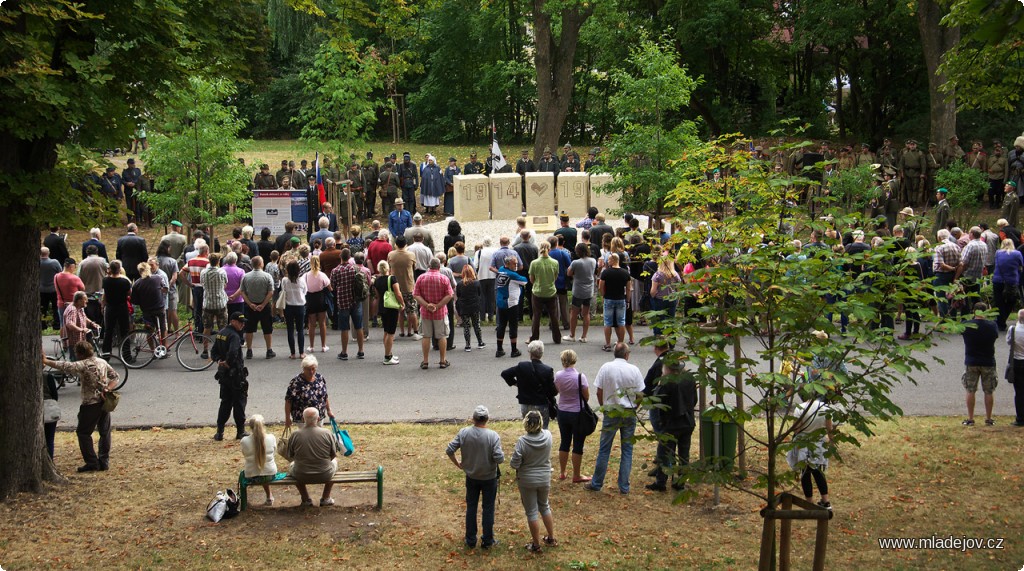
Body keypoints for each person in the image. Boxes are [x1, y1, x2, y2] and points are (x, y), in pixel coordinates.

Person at [42, 341, 119, 472]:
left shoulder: (83, 364)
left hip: (90, 404)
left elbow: (65, 366)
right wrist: (107, 388)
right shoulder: (101, 362)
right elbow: (115, 377)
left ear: (81, 353)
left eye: (77, 352)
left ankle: (92, 462)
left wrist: (46, 361)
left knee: (83, 433)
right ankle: (104, 461)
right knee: (105, 432)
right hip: (104, 402)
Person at [584, 343, 645, 494]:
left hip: (611, 410)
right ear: (626, 355)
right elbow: (640, 394)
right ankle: (624, 486)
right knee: (627, 449)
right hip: (629, 411)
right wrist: (635, 408)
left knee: (604, 449)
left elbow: (599, 391)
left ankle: (597, 482)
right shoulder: (634, 370)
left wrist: (603, 406)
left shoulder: (606, 368)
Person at [445, 405, 505, 549]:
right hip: (489, 477)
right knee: (488, 509)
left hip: (471, 476)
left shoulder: (464, 433)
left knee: (471, 507)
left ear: (473, 419)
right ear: (487, 419)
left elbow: (449, 450)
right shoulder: (493, 436)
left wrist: (458, 464)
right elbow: (499, 459)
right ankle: (487, 540)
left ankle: (470, 539)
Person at [646, 359, 697, 492]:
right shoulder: (689, 379)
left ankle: (661, 482)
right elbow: (694, 400)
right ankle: (680, 482)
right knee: (683, 454)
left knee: (664, 453)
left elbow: (657, 402)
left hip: (671, 423)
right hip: (687, 421)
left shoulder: (666, 383)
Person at [510, 410, 558, 554]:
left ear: (526, 424)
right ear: (540, 423)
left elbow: (514, 464)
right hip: (544, 478)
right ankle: (550, 538)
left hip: (527, 480)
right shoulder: (548, 436)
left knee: (531, 512)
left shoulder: (522, 442)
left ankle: (536, 545)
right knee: (544, 506)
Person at [283, 407, 338, 507]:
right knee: (335, 463)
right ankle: (326, 497)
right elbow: (333, 455)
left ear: (303, 419)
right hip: (325, 473)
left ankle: (306, 499)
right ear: (318, 419)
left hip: (301, 474)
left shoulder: (295, 435)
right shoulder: (327, 433)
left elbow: (290, 456)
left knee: (293, 466)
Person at [786, 398, 833, 510]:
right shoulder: (825, 408)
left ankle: (809, 502)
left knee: (805, 473)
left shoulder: (800, 408)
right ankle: (826, 501)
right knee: (818, 472)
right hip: (819, 444)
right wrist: (832, 442)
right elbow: (829, 428)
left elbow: (796, 429)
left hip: (803, 444)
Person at [553, 348, 591, 482]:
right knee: (578, 443)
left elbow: (557, 390)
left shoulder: (558, 375)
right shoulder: (580, 377)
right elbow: (586, 396)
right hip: (577, 413)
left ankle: (562, 472)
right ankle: (576, 474)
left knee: (564, 442)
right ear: (574, 360)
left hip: (562, 411)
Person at [211, 311, 249, 441]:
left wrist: (219, 361)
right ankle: (240, 431)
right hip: (236, 375)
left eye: (243, 323)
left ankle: (219, 432)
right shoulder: (234, 336)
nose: (242, 325)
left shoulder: (221, 333)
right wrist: (227, 362)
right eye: (240, 322)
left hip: (224, 375)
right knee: (239, 402)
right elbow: (233, 352)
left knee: (225, 403)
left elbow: (213, 351)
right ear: (232, 321)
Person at [501, 340, 557, 428]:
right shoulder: (547, 370)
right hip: (541, 404)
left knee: (529, 428)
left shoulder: (522, 366)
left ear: (530, 354)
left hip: (525, 404)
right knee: (543, 429)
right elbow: (553, 392)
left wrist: (516, 384)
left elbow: (505, 374)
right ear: (541, 353)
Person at [961, 302, 999, 426]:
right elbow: (996, 336)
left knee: (970, 389)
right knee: (989, 391)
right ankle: (988, 418)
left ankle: (970, 418)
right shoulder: (992, 326)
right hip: (988, 361)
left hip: (971, 361)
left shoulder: (967, 325)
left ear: (974, 311)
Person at [413, 258, 454, 369]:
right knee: (441, 336)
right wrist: (438, 305)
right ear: (439, 267)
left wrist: (427, 305)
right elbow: (450, 295)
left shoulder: (421, 278)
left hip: (425, 312)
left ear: (428, 266)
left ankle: (425, 361)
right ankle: (442, 360)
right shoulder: (444, 278)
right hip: (440, 312)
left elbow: (416, 294)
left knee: (426, 336)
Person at [331, 249, 368, 360]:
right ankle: (361, 351)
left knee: (344, 328)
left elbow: (332, 285)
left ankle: (344, 352)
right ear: (350, 257)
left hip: (343, 301)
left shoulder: (336, 270)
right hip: (355, 301)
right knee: (359, 326)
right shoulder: (355, 269)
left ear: (340, 256)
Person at [240, 414, 278, 506]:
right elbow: (274, 453)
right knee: (264, 471)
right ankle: (269, 496)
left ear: (250, 427)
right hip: (270, 474)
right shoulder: (271, 438)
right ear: (263, 425)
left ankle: (245, 502)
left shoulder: (244, 441)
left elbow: (245, 455)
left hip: (252, 476)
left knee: (252, 473)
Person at [495, 256, 528, 358]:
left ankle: (499, 349)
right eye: (514, 264)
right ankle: (514, 350)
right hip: (511, 303)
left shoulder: (501, 270)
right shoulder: (512, 275)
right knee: (513, 326)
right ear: (508, 264)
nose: (516, 265)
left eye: (517, 263)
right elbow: (524, 281)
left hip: (501, 301)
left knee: (501, 325)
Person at [529, 242, 562, 344]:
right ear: (549, 249)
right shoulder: (555, 262)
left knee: (536, 316)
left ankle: (534, 338)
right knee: (553, 316)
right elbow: (555, 277)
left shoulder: (534, 263)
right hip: (551, 292)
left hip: (538, 292)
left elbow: (531, 279)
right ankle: (557, 338)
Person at [388, 235, 420, 339]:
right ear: (406, 244)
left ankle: (402, 331)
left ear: (396, 244)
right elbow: (414, 268)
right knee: (412, 310)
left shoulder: (391, 255)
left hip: (395, 286)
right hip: (409, 286)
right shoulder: (411, 255)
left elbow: (389, 267)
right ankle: (414, 331)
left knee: (400, 310)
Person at [374, 260, 404, 365]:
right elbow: (398, 293)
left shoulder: (377, 280)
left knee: (386, 331)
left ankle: (389, 353)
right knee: (391, 333)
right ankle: (387, 357)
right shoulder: (392, 279)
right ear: (388, 268)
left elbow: (377, 295)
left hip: (382, 306)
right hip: (391, 307)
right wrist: (402, 303)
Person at [599, 253, 632, 351]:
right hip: (621, 299)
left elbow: (601, 286)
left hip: (609, 298)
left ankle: (608, 344)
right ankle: (620, 344)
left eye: (609, 260)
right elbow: (629, 288)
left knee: (607, 322)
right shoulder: (625, 273)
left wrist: (603, 295)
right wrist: (628, 300)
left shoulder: (606, 273)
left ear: (613, 260)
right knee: (621, 321)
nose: (607, 262)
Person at [101, 261, 132, 354]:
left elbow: (105, 294)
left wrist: (103, 305)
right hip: (122, 307)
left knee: (108, 330)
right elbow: (129, 293)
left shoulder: (105, 281)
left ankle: (106, 353)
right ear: (119, 269)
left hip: (110, 307)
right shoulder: (125, 281)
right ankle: (126, 355)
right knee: (124, 331)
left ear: (110, 269)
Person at [992, 239, 1023, 330]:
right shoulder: (1017, 254)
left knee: (999, 301)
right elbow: (1021, 265)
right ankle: (1002, 320)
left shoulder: (998, 253)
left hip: (998, 280)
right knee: (1011, 301)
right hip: (1012, 281)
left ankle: (1000, 321)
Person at [305, 255, 332, 353]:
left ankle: (311, 346)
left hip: (310, 299)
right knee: (322, 323)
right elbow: (330, 288)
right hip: (320, 299)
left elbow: (304, 288)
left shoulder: (306, 275)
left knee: (311, 324)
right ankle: (323, 346)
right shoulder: (322, 275)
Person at [650, 254, 681, 336]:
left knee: (659, 320)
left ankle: (660, 342)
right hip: (672, 299)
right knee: (671, 320)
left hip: (660, 299)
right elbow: (679, 288)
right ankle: (671, 342)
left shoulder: (657, 275)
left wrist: (653, 296)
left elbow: (653, 291)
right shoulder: (675, 275)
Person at [457, 265, 485, 351]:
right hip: (475, 306)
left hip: (464, 307)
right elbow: (479, 294)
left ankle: (468, 345)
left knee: (466, 326)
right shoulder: (476, 282)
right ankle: (480, 342)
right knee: (476, 324)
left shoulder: (460, 284)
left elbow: (458, 295)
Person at [1006, 309, 1024, 426]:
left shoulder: (1013, 329)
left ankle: (1020, 418)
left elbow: (1009, 342)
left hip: (1017, 361)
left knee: (1019, 391)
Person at [40, 247, 62, 329]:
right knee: (55, 307)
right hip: (53, 289)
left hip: (41, 289)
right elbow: (60, 272)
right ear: (48, 253)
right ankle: (56, 325)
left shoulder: (37, 262)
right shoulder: (54, 262)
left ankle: (42, 324)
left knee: (43, 308)